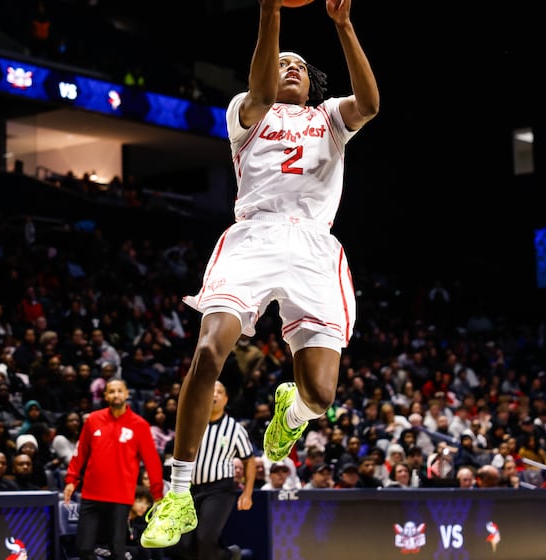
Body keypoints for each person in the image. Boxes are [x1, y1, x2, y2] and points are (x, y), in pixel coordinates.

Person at [142, 0, 379, 548]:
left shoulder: (330, 119)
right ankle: (177, 494)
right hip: (254, 237)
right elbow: (264, 89)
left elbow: (370, 102)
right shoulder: (248, 112)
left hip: (316, 248)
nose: (290, 67)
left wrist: (343, 25)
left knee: (321, 394)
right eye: (283, 61)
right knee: (207, 352)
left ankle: (291, 412)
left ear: (314, 83)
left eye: (299, 65)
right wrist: (270, 11)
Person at [63, 379, 163, 560]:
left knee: (117, 551)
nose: (116, 394)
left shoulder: (139, 425)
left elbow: (152, 461)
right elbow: (80, 453)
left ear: (126, 394)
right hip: (92, 495)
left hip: (121, 497)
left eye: (119, 391)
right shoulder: (93, 420)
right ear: (106, 396)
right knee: (84, 547)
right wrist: (71, 480)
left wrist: (157, 494)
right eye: (111, 391)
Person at [170, 381, 255, 560]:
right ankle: (229, 555)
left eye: (219, 392)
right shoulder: (193, 422)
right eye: (211, 391)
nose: (214, 394)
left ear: (226, 399)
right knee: (184, 544)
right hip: (190, 489)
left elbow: (249, 461)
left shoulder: (235, 429)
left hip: (219, 489)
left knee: (205, 538)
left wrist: (247, 493)